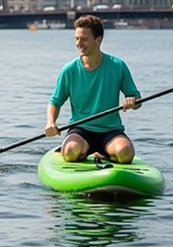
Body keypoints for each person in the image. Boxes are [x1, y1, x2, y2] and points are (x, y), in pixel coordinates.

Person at [44, 15, 141, 164]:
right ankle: (79, 150)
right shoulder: (69, 70)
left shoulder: (118, 66)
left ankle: (103, 154)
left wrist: (132, 101)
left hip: (110, 131)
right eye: (76, 39)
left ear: (98, 40)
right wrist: (51, 122)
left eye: (84, 39)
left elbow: (136, 99)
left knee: (125, 154)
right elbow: (55, 101)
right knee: (70, 152)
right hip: (81, 130)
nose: (79, 43)